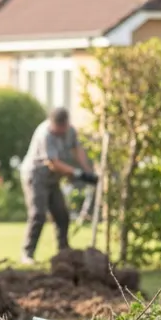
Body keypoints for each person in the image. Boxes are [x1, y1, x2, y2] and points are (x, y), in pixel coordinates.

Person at [18, 107, 98, 264]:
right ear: (52, 123)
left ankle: (64, 252)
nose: (60, 131)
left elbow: (77, 150)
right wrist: (77, 173)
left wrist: (88, 170)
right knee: (38, 214)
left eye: (63, 127)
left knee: (61, 214)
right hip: (36, 176)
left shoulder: (70, 131)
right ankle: (27, 254)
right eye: (58, 128)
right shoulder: (45, 134)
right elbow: (53, 163)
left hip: (53, 180)